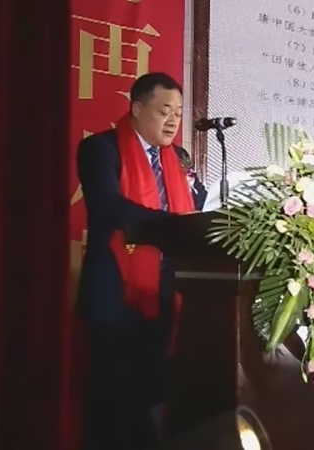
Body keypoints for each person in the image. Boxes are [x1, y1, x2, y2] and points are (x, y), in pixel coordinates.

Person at [76, 73, 207, 450]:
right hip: (115, 293)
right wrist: (169, 224)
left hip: (166, 289)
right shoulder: (100, 149)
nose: (173, 121)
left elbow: (194, 207)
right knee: (111, 398)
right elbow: (107, 205)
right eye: (164, 111)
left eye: (178, 113)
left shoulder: (178, 159)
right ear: (136, 108)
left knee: (153, 390)